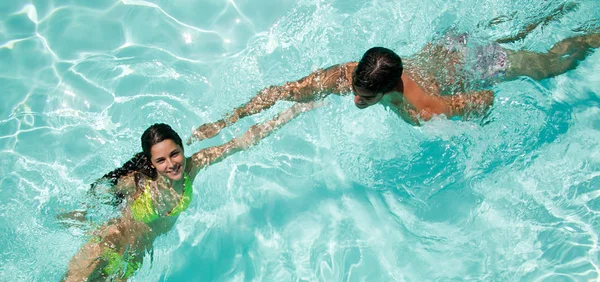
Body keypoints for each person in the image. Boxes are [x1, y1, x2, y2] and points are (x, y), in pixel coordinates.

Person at [0, 101, 319, 282]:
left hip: (129, 263)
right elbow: (102, 197)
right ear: (150, 164)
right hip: (105, 247)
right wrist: (80, 216)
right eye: (161, 161)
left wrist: (293, 111)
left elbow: (245, 140)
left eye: (174, 154)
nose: (171, 165)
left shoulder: (194, 167)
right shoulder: (139, 183)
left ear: (182, 148)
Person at [188, 16, 599, 142]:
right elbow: (279, 93)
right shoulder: (348, 76)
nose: (355, 100)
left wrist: (477, 124)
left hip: (476, 64)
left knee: (550, 65)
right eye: (356, 92)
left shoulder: (422, 106)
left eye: (366, 99)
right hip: (447, 47)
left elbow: (484, 101)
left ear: (389, 90)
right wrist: (227, 121)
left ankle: (591, 35)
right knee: (520, 33)